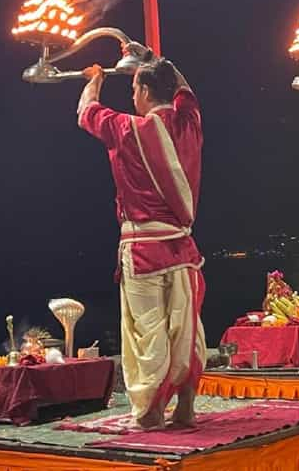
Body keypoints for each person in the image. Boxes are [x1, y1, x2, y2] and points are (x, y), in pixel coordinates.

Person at [77, 44, 206, 429]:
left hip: (144, 250)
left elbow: (85, 111)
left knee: (147, 330)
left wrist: (95, 82)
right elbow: (185, 90)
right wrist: (154, 60)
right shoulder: (190, 123)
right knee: (185, 327)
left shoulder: (130, 129)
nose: (132, 96)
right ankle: (184, 408)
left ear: (146, 92)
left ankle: (149, 413)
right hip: (183, 248)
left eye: (134, 88)